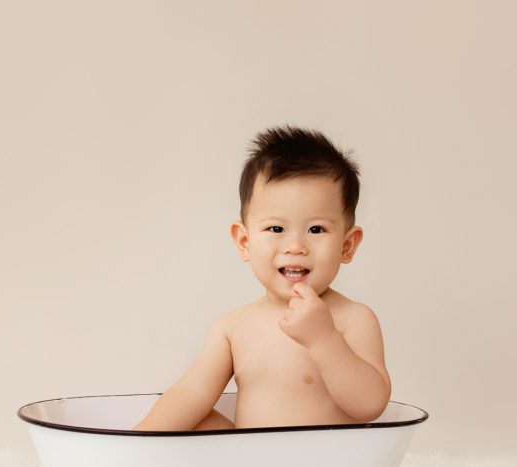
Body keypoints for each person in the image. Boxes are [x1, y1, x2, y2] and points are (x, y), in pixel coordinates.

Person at [134, 126, 390, 431]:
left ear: (347, 246)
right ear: (244, 242)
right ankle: (133, 453)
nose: (296, 247)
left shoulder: (353, 319)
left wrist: (324, 340)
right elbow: (191, 393)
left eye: (316, 229)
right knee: (193, 418)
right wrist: (140, 438)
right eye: (276, 229)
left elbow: (370, 405)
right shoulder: (233, 327)